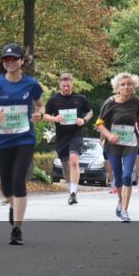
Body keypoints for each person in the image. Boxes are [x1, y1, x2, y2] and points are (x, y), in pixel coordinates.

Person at [0, 43, 43, 245]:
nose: (10, 62)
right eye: (6, 59)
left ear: (22, 61)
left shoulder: (31, 84)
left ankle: (17, 228)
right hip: (2, 140)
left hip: (24, 139)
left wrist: (39, 114)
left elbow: (41, 105)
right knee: (6, 186)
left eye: (14, 59)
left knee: (18, 181)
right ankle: (12, 203)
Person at [95, 73, 139, 223]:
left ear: (134, 86)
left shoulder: (137, 102)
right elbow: (99, 123)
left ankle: (124, 210)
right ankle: (120, 200)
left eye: (129, 84)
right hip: (113, 145)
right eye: (122, 85)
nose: (126, 87)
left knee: (127, 175)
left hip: (130, 143)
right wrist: (109, 136)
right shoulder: (109, 103)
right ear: (117, 87)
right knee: (118, 175)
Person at [43, 72, 93, 205]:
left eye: (68, 86)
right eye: (64, 86)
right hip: (61, 138)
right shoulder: (54, 100)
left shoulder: (80, 98)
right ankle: (72, 190)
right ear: (60, 84)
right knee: (66, 167)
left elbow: (90, 111)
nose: (66, 88)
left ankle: (73, 193)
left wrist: (84, 120)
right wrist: (55, 118)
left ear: (72, 85)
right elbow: (44, 115)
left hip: (76, 135)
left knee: (74, 161)